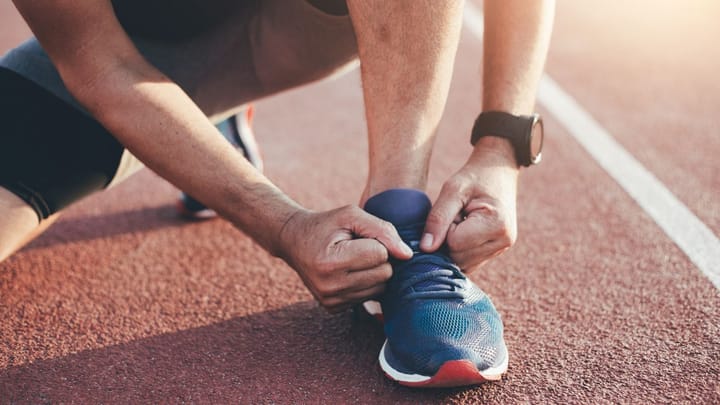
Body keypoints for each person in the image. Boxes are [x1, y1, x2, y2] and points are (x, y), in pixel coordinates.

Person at [0, 0, 554, 388]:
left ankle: (400, 217)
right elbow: (99, 66)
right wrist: (284, 226)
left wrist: (502, 149)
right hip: (130, 56)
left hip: (293, 25)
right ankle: (207, 126)